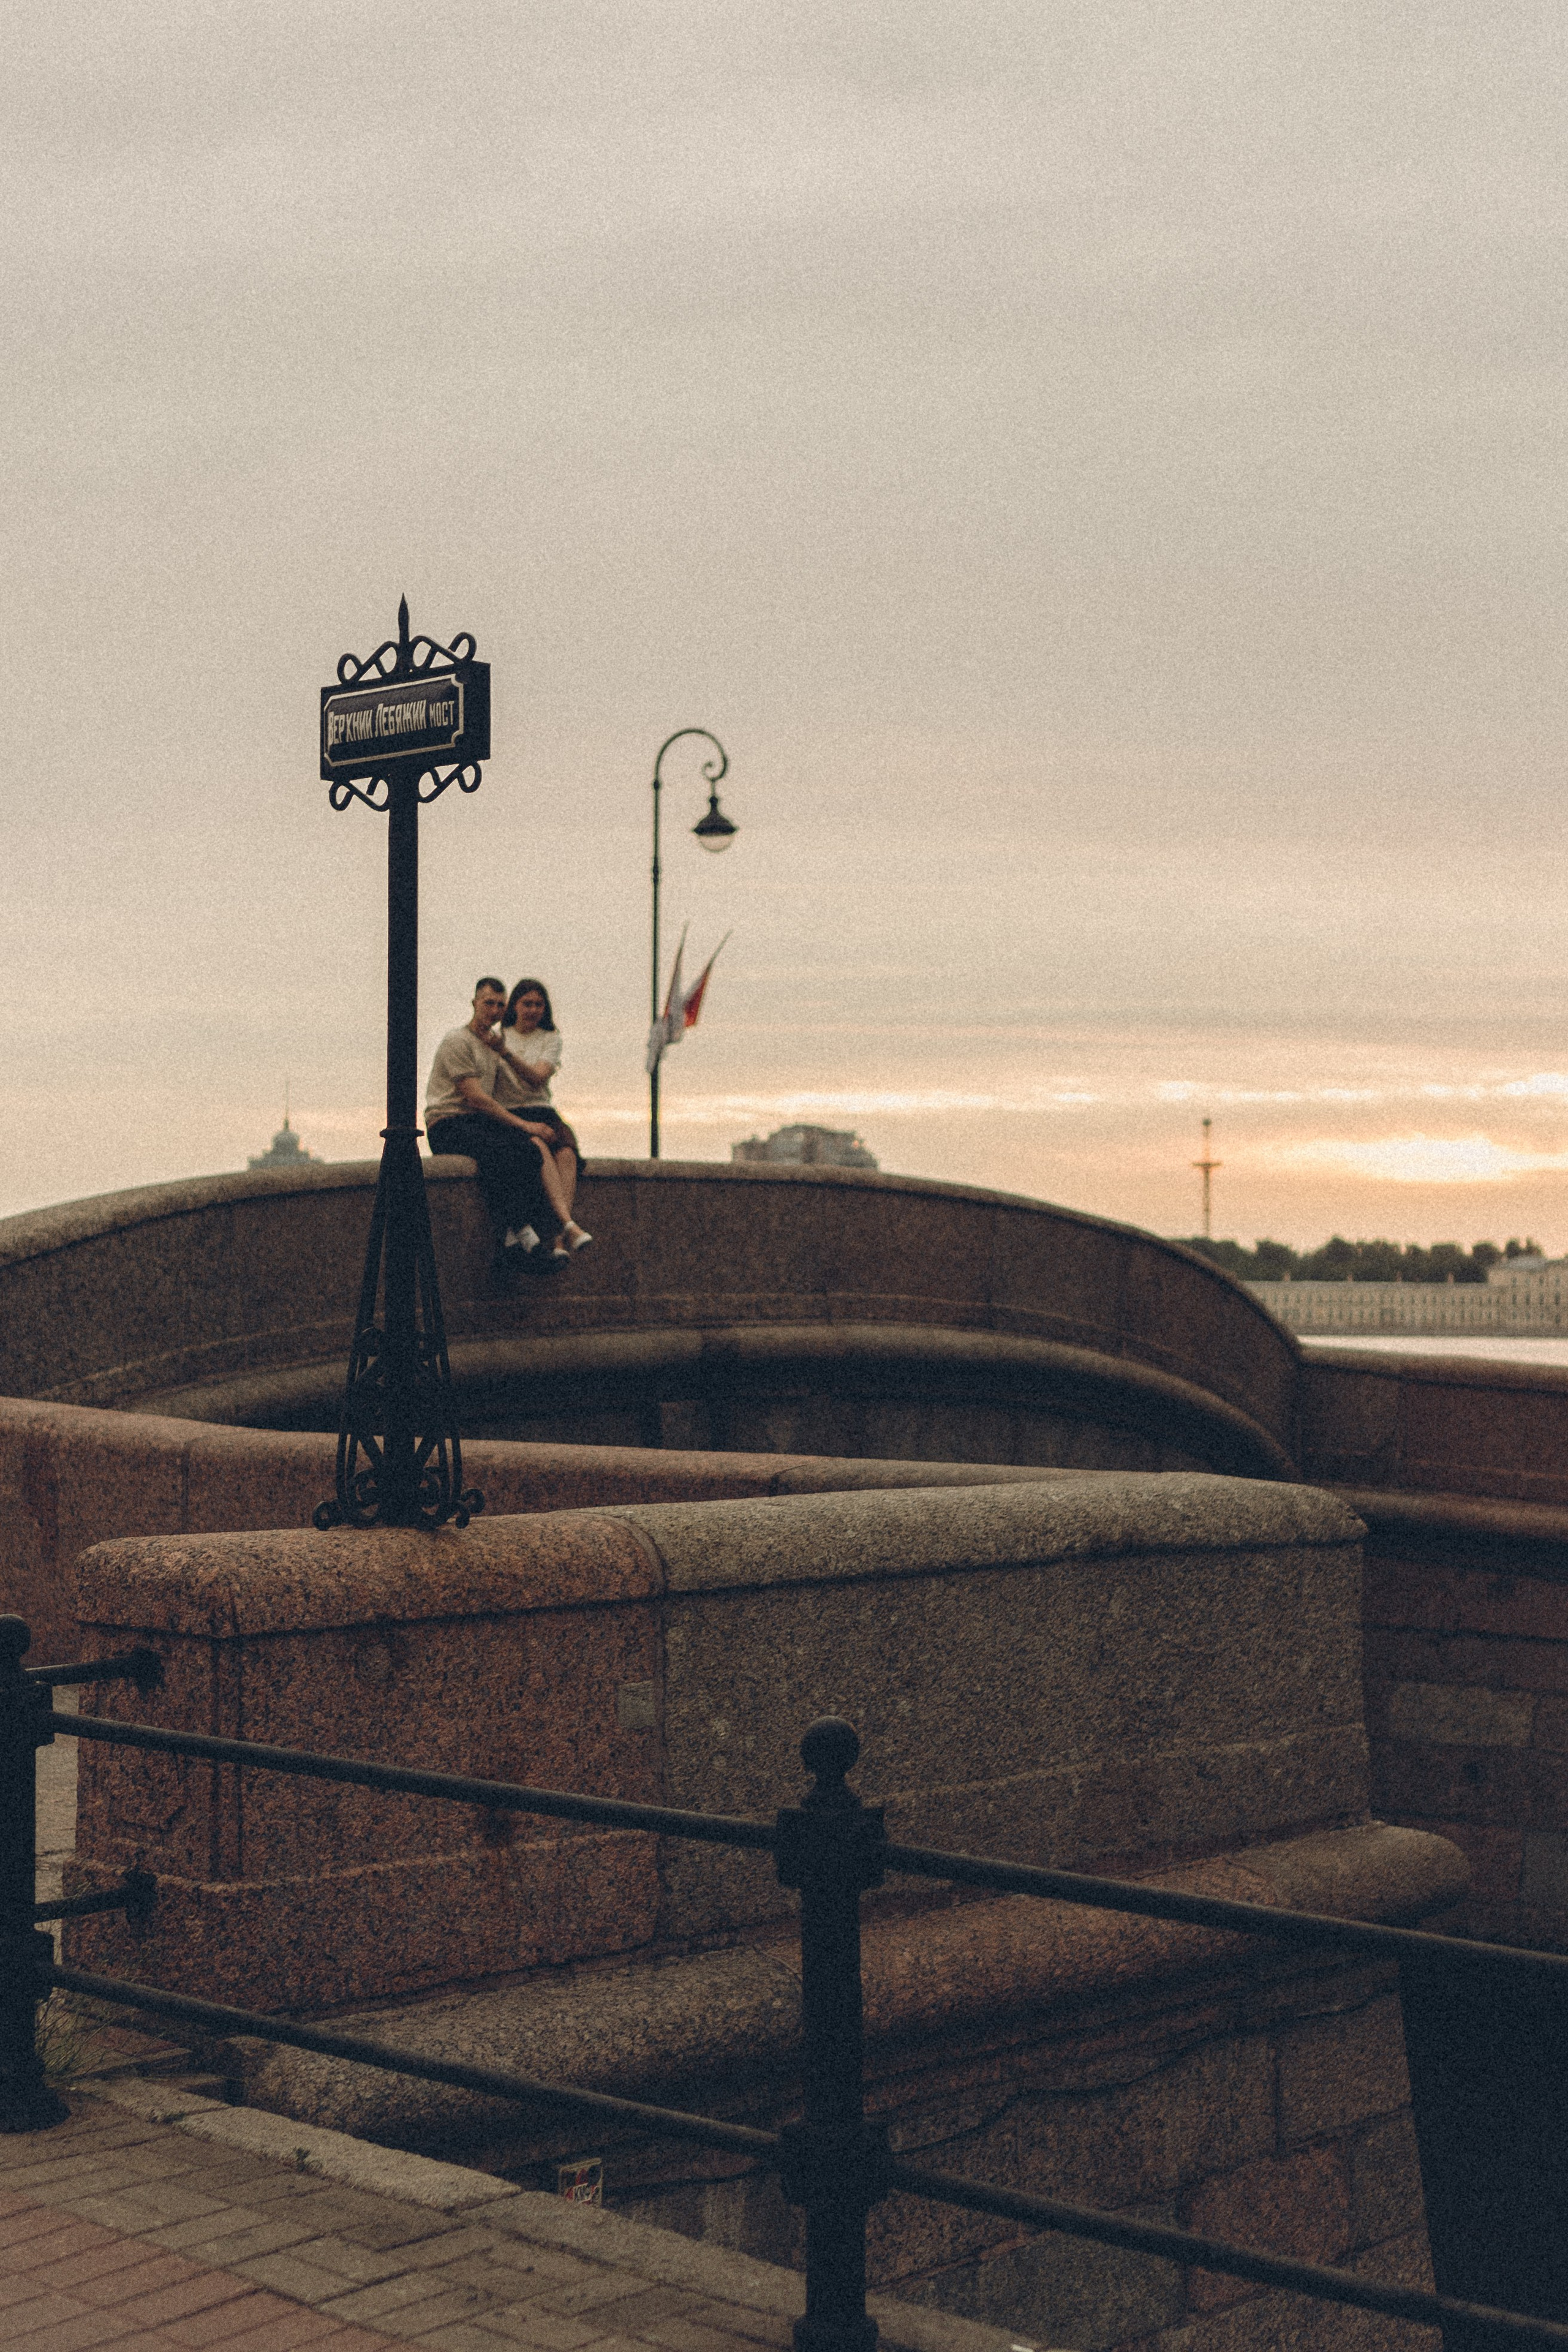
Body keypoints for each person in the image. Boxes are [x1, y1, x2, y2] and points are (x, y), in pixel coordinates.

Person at [424, 978, 587, 1268]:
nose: (494, 1010)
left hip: (476, 1123)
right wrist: (526, 1126)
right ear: (474, 1003)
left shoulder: (491, 1047)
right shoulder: (458, 1041)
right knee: (501, 1154)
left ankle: (512, 1241)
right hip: (447, 1124)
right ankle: (526, 1238)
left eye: (500, 1005)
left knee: (528, 1153)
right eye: (488, 1003)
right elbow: (476, 1099)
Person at [491, 978, 592, 1262]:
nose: (533, 1010)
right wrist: (501, 1049)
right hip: (513, 1113)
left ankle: (561, 1234)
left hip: (542, 1109)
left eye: (539, 1004)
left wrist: (505, 1053)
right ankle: (568, 1229)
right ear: (515, 1006)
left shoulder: (550, 1038)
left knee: (568, 1155)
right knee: (539, 1148)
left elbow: (537, 1076)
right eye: (527, 1004)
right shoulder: (500, 1035)